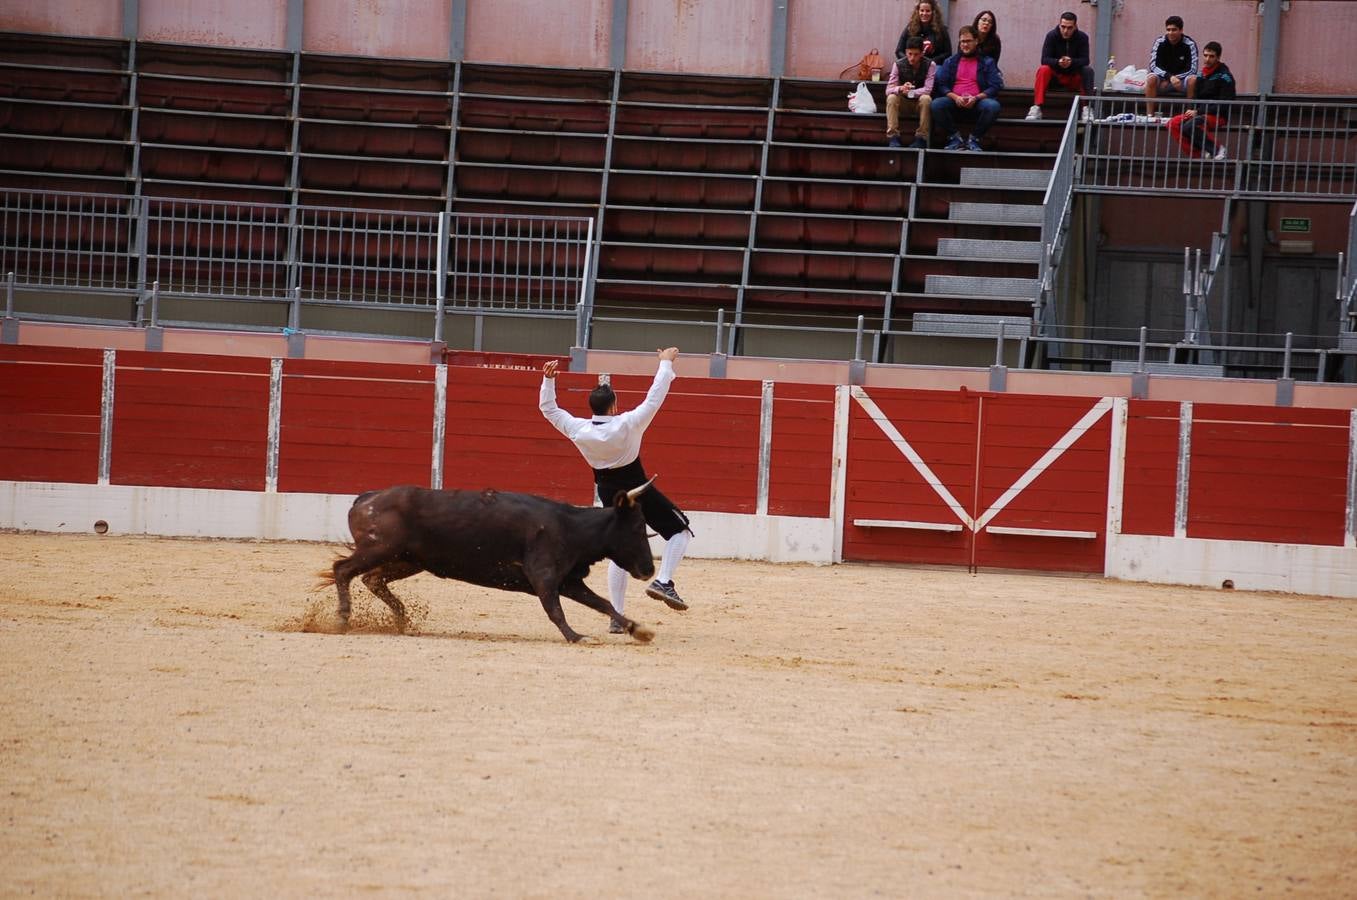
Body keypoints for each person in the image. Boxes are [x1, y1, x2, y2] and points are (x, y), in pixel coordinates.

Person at [539, 348, 693, 632]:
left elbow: (549, 410)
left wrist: (548, 382)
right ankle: (664, 581)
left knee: (619, 550)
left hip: (609, 494)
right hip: (638, 488)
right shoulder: (628, 423)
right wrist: (665, 363)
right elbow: (655, 397)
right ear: (613, 407)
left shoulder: (579, 430)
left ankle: (617, 616)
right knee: (680, 531)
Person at [930, 26, 1003, 152]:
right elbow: (942, 85)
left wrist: (976, 98)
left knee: (993, 106)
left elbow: (995, 86)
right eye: (962, 41)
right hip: (955, 101)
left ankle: (974, 139)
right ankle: (955, 138)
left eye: (968, 41)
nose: (965, 44)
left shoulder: (987, 62)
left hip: (978, 102)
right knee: (936, 105)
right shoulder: (950, 62)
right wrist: (955, 97)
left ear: (976, 41)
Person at [1167, 41, 1236, 160]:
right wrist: (1193, 110)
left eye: (1211, 56)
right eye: (1205, 55)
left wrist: (1198, 112)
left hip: (1217, 115)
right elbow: (1195, 97)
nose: (1207, 59)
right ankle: (1199, 155)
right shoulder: (1200, 75)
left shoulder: (1225, 76)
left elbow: (1225, 103)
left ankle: (1217, 149)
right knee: (1172, 123)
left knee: (1191, 125)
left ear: (1218, 57)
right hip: (1199, 113)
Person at [1026, 11, 1094, 121]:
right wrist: (1058, 62)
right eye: (1063, 27)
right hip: (1055, 78)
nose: (1065, 31)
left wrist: (1071, 62)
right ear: (1059, 24)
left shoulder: (1082, 37)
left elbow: (1085, 60)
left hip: (1073, 78)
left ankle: (1086, 108)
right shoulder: (1051, 36)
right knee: (1043, 69)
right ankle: (1036, 107)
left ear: (1075, 26)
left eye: (1069, 28)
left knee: (1088, 71)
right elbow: (1044, 59)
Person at [885, 36, 935, 149]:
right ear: (906, 52)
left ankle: (921, 137)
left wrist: (912, 92)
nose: (912, 58)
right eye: (909, 54)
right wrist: (901, 88)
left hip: (919, 104)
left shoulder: (930, 65)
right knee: (891, 98)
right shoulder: (898, 64)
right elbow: (888, 90)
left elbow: (928, 89)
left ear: (922, 53)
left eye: (916, 54)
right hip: (903, 103)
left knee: (926, 98)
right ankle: (893, 136)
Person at [1145, 15, 1199, 118]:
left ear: (1181, 30)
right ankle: (1149, 116)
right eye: (1168, 30)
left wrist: (1176, 78)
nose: (1170, 33)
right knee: (1151, 78)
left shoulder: (1190, 44)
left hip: (1181, 81)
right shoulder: (1159, 42)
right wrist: (1169, 77)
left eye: (1174, 30)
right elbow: (1153, 65)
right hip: (1163, 80)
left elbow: (1193, 69)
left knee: (1193, 80)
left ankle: (1188, 114)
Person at [895, 0, 951, 68]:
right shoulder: (910, 27)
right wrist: (910, 61)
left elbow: (948, 53)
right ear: (918, 11)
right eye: (922, 10)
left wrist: (930, 62)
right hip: (911, 65)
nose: (924, 13)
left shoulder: (942, 29)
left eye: (927, 11)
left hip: (933, 65)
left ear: (933, 12)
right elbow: (898, 51)